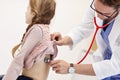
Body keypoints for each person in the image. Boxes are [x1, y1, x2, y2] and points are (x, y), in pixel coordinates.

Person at [50, 0, 120, 80]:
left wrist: (70, 68)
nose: (98, 16)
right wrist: (64, 40)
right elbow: (84, 27)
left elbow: (115, 65)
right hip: (105, 67)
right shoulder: (96, 4)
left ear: (118, 9)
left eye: (105, 14)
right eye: (96, 10)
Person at [1, 0, 57, 80]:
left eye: (28, 9)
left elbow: (19, 59)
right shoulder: (46, 31)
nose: (25, 12)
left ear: (34, 13)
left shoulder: (37, 30)